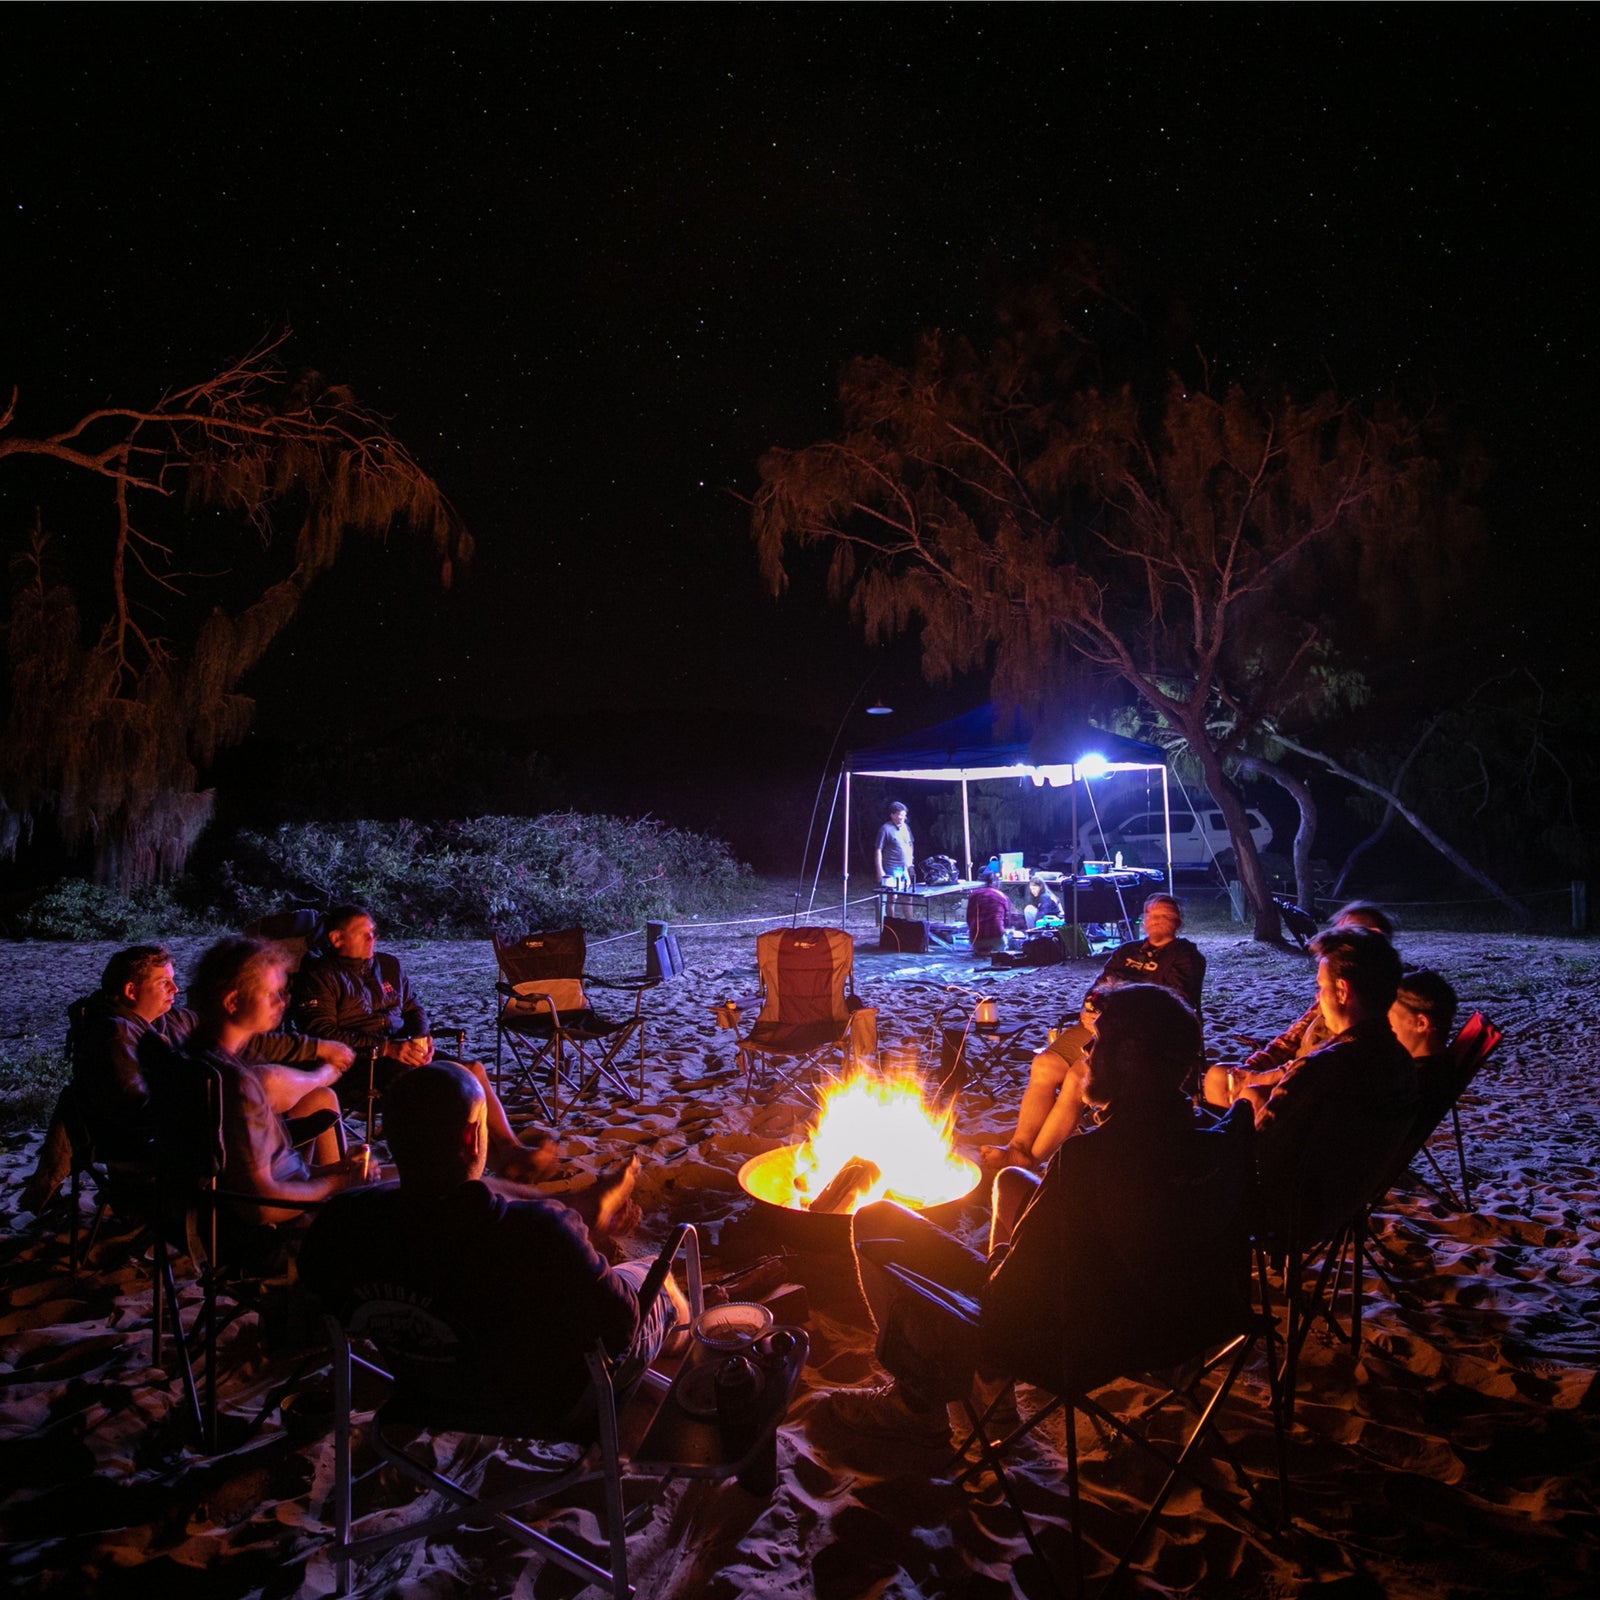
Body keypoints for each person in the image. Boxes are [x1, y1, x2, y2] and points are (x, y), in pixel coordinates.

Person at [829, 984, 1251, 1444]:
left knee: (876, 1218)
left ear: (1128, 1054)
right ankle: (992, 1395)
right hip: (1192, 1327)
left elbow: (1009, 1293)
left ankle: (917, 1403)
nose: (1088, 1051)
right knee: (1011, 1182)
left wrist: (999, 1257)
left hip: (1079, 1345)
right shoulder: (1220, 1141)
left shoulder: (1090, 1159)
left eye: (1099, 1040)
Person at [299, 1061, 682, 1432]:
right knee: (654, 1277)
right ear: (472, 1137)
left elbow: (314, 1312)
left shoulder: (341, 1226)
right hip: (552, 1406)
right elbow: (623, 1329)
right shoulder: (542, 1231)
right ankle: (689, 1331)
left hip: (423, 1397)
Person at [18, 943, 354, 1215]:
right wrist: (222, 1103)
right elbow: (136, 1109)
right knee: (283, 1087)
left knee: (317, 1097)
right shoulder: (112, 1038)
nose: (175, 989)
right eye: (163, 983)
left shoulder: (169, 1021)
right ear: (131, 990)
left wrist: (315, 1047)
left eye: (174, 980)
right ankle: (330, 1202)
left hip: (200, 1137)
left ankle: (328, 1193)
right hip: (163, 1157)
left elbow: (248, 1037)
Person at [292, 905, 556, 1182]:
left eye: (373, 933)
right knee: (441, 1086)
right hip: (360, 1063)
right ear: (337, 939)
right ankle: (482, 1161)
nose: (373, 939)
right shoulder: (319, 976)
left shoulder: (388, 965)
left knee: (473, 1069)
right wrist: (388, 1049)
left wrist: (420, 1038)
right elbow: (321, 1032)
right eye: (364, 934)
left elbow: (413, 1008)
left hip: (403, 1052)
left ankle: (511, 1150)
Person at [981, 893, 1205, 1170]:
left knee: (1078, 1077)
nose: (1156, 921)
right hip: (1099, 1025)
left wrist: (1118, 1010)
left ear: (1176, 921)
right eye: (1151, 914)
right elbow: (1099, 988)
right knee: (1044, 1064)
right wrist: (1090, 1009)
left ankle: (1032, 1159)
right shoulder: (1127, 951)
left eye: (1164, 915)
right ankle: (1019, 1146)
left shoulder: (1184, 957)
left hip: (1142, 1040)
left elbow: (1173, 1005)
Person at [175, 937, 373, 1228]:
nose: (282, 1003)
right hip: (281, 1231)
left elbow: (277, 1171)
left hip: (284, 1199)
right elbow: (262, 1204)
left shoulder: (197, 1056)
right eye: (271, 994)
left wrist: (336, 1171)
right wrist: (339, 1183)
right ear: (232, 1001)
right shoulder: (234, 1084)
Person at [1253, 926, 1419, 1244]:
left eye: (1320, 988)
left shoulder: (1321, 1068)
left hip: (1283, 1216)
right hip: (1343, 1206)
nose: (1318, 998)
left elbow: (1258, 1151)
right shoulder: (1401, 1064)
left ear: (1342, 992)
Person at [1202, 900, 1395, 1113]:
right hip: (1296, 1073)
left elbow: (1319, 1067)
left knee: (1251, 1095)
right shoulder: (1332, 1000)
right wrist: (1253, 1067)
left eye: (1349, 933)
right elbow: (1293, 1036)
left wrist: (1260, 1077)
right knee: (1218, 1077)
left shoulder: (1368, 1010)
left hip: (1308, 1088)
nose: (1338, 939)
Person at [1388, 967, 1459, 1114]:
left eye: (1391, 1017)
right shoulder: (1437, 1071)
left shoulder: (1414, 1085)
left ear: (1421, 1023)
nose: (1387, 1024)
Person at [965, 869, 1011, 956]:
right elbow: (1007, 921)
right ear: (994, 882)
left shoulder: (973, 895)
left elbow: (968, 918)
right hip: (996, 936)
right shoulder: (1002, 896)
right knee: (1001, 951)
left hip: (977, 938)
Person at [874, 801, 915, 892]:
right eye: (900, 815)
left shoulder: (906, 827)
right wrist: (879, 870)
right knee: (892, 896)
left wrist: (910, 864)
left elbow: (910, 844)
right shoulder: (885, 829)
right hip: (891, 867)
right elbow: (878, 850)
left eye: (904, 815)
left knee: (908, 896)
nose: (903, 818)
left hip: (904, 867)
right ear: (892, 815)